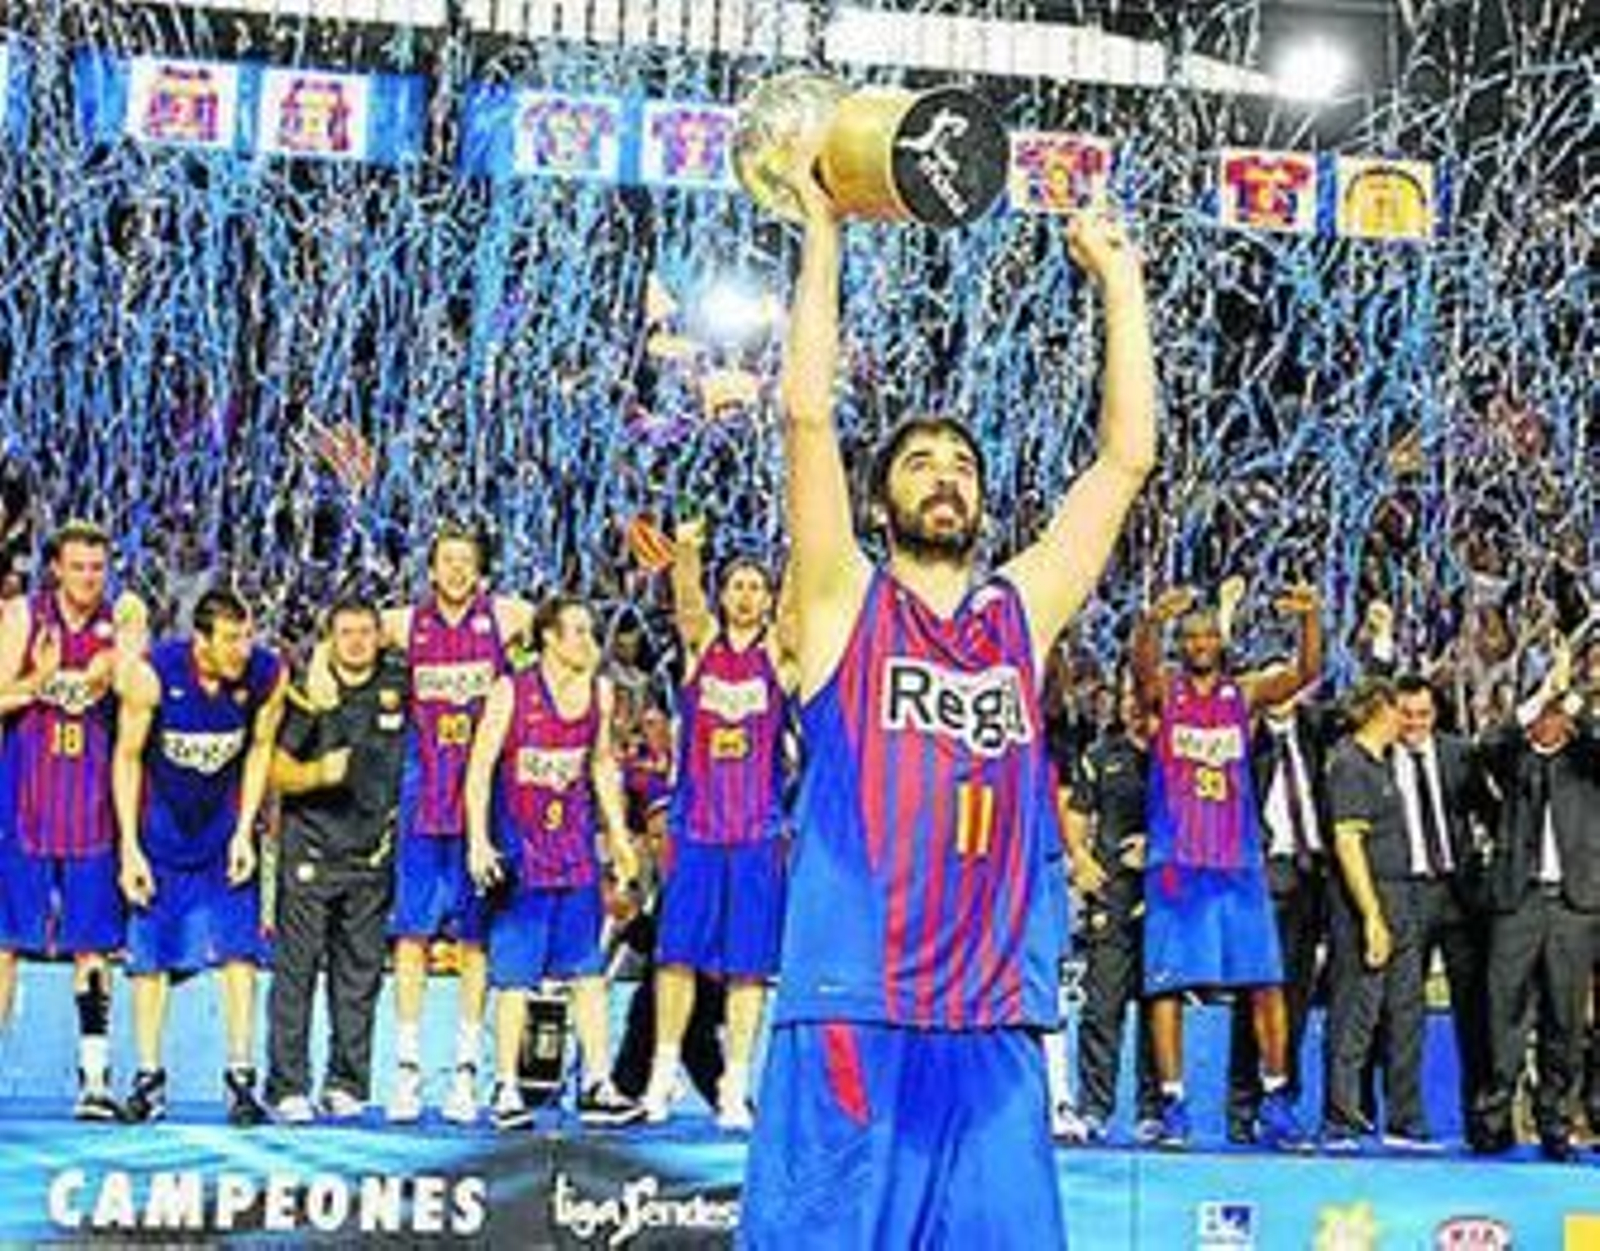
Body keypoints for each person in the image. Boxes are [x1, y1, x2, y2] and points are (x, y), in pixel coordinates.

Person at [740, 166, 1155, 1246]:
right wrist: (825, 233)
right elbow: (806, 415)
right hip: (856, 1002)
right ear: (883, 502)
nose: (944, 476)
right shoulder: (843, 601)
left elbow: (1125, 460)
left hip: (992, 1015)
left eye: (961, 464)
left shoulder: (1018, 613)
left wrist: (1118, 283)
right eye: (920, 463)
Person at [1130, 583, 1322, 1149]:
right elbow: (1141, 675)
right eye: (1191, 637)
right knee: (1167, 986)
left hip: (1237, 862)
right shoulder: (1166, 691)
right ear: (1181, 645)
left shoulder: (1246, 694)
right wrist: (1150, 623)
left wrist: (1311, 619)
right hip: (1177, 862)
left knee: (1265, 982)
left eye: (1209, 635)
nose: (1200, 643)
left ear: (1222, 642)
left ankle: (1276, 1100)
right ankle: (1172, 1103)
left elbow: (1306, 672)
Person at [464, 594, 642, 1130]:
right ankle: (506, 1087)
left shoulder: (600, 693)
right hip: (522, 854)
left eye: (591, 631)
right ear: (549, 637)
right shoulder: (510, 692)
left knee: (587, 972)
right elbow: (479, 769)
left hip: (575, 853)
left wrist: (619, 836)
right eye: (579, 631)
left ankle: (597, 1083)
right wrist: (478, 841)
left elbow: (602, 765)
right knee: (514, 977)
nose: (590, 642)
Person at [378, 523, 534, 1124]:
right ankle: (407, 1071)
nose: (456, 569)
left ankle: (467, 1071)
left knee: (475, 940)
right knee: (412, 936)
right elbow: (342, 630)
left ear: (480, 569)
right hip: (425, 802)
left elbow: (555, 628)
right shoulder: (404, 623)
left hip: (485, 807)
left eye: (466, 560)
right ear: (430, 568)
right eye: (447, 559)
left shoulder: (506, 617)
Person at [642, 517, 794, 1130]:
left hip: (757, 832)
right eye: (738, 586)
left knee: (748, 965)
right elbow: (687, 603)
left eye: (758, 587)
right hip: (697, 828)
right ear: (723, 593)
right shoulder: (702, 646)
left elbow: (802, 598)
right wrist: (687, 549)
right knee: (676, 958)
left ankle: (736, 1083)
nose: (748, 596)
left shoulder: (779, 655)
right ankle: (662, 1074)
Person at [114, 587, 286, 1124]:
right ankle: (149, 1079)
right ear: (201, 640)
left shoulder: (266, 674)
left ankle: (240, 1079)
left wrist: (245, 830)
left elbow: (260, 750)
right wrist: (129, 847)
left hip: (222, 834)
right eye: (231, 639)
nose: (242, 649)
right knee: (150, 959)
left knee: (239, 954)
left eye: (247, 636)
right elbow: (127, 757)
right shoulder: (153, 675)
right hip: (160, 835)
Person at [0, 521, 146, 1117]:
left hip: (91, 809)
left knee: (93, 945)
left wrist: (124, 658)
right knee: (5, 944)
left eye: (97, 567)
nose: (88, 578)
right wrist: (41, 681)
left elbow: (142, 696)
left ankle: (94, 1079)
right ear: (55, 568)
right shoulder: (22, 618)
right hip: (25, 806)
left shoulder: (121, 622)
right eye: (78, 567)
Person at [265, 593, 407, 1123]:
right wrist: (318, 773)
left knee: (360, 977)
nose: (356, 642)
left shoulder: (400, 685)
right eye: (344, 632)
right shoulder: (310, 693)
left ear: (380, 636)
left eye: (366, 631)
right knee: (296, 974)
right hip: (311, 852)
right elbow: (275, 769)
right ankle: (287, 1087)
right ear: (330, 638)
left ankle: (346, 1084)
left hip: (372, 855)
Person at [1474, 646, 1600, 1161]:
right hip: (1517, 904)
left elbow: (1595, 735)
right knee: (1502, 1015)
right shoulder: (1514, 759)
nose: (1548, 723)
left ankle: (1555, 1123)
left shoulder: (1587, 762)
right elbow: (1489, 743)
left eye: (1556, 716)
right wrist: (1541, 693)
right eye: (1541, 716)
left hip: (1574, 908)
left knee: (1564, 1023)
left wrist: (1569, 698)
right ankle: (1494, 1121)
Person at [1321, 677, 1436, 1150]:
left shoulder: (1380, 763)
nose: (1404, 720)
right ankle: (1341, 1119)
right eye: (1398, 710)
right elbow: (1348, 843)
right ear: (1379, 711)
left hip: (1403, 898)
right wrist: (1371, 915)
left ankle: (1405, 1120)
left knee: (1406, 1012)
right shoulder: (1349, 764)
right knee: (1356, 1012)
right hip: (1368, 904)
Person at [1225, 687, 1339, 1144]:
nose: (1281, 691)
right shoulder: (1244, 738)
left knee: (1295, 997)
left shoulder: (1314, 730)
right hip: (1263, 875)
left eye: (1288, 682)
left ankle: (1282, 1101)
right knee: (1255, 994)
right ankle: (1243, 1104)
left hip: (1312, 878)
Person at [1390, 672, 1494, 1143]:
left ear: (1435, 715)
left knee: (1475, 1010)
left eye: (1424, 715)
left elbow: (1491, 813)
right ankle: (1405, 1120)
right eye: (1406, 715)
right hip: (1405, 895)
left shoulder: (1459, 754)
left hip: (1461, 896)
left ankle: (1483, 1122)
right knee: (1405, 1010)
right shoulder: (1378, 756)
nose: (1415, 724)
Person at [1059, 669, 1161, 1144]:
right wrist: (1081, 859)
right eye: (1125, 695)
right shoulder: (1101, 754)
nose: (1131, 704)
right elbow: (1076, 813)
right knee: (1102, 1007)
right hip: (1111, 896)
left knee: (1160, 1006)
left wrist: (1160, 849)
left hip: (1166, 896)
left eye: (1139, 695)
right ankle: (1094, 1108)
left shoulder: (1178, 755)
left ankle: (1154, 1111)